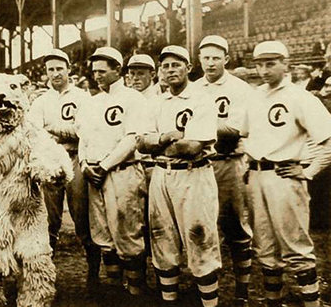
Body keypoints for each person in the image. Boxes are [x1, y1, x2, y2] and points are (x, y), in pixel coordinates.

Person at [239, 41, 331, 307]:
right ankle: (273, 302)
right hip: (256, 176)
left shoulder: (300, 97)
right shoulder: (255, 96)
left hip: (284, 176)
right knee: (264, 248)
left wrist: (309, 170)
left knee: (296, 246)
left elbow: (328, 140)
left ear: (285, 64)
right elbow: (245, 135)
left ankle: (312, 304)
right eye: (259, 64)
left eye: (271, 63)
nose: (264, 70)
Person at [137, 45, 221, 307]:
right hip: (162, 174)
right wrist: (166, 137)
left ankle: (209, 304)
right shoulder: (156, 101)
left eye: (176, 64)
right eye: (165, 66)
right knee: (162, 239)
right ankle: (169, 301)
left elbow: (192, 147)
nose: (170, 70)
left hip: (194, 175)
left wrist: (157, 141)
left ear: (188, 67)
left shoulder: (201, 98)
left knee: (200, 238)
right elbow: (141, 143)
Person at [77, 47, 148, 296]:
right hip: (94, 175)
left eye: (102, 71)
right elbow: (82, 138)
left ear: (117, 70)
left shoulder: (133, 98)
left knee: (128, 232)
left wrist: (104, 166)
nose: (97, 76)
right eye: (94, 71)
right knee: (102, 233)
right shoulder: (91, 102)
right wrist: (85, 164)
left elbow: (132, 139)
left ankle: (137, 292)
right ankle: (116, 290)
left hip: (122, 172)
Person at [28, 49, 101, 292]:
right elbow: (35, 132)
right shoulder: (40, 100)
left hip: (75, 156)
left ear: (69, 69)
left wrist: (55, 129)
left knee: (82, 218)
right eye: (51, 69)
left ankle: (93, 273)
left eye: (60, 68)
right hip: (50, 159)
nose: (55, 73)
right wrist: (62, 130)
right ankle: (46, 275)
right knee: (49, 220)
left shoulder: (83, 97)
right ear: (46, 73)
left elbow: (83, 130)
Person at [196, 36, 253, 305]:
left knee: (235, 227)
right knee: (202, 226)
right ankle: (208, 287)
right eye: (205, 57)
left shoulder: (240, 88)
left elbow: (234, 131)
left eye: (216, 57)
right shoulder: (193, 88)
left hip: (229, 162)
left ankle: (242, 288)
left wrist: (197, 127)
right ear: (199, 60)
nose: (210, 63)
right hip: (199, 165)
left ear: (226, 59)